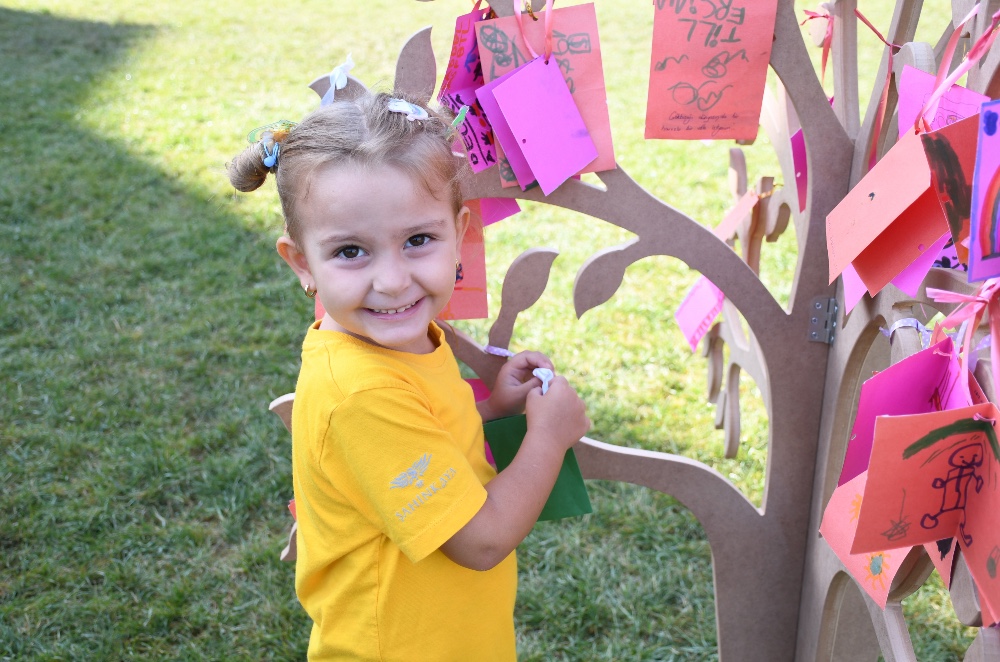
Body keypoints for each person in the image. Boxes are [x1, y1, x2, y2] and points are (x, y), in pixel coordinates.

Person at [227, 91, 590, 661]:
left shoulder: (396, 340)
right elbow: (482, 540)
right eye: (351, 251)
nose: (393, 281)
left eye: (418, 241)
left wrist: (491, 407)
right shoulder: (362, 392)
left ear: (458, 232)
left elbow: (421, 433)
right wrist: (550, 433)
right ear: (302, 263)